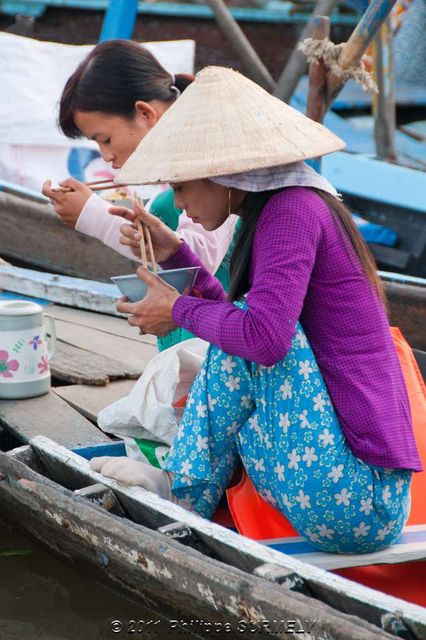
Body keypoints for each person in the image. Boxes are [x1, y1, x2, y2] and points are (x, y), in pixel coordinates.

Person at [90, 66, 422, 554]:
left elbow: (262, 340)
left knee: (248, 336)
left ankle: (183, 491)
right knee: (238, 330)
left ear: (223, 175)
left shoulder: (291, 211)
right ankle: (185, 482)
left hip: (356, 501)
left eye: (181, 187)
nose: (179, 207)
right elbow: (241, 326)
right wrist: (175, 255)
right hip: (343, 490)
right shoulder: (275, 210)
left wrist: (179, 309)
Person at [42, 40, 236, 350]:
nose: (106, 156)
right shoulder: (191, 149)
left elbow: (198, 263)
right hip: (224, 333)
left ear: (145, 112)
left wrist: (92, 216)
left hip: (236, 343)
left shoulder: (210, 151)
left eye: (105, 139)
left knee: (162, 208)